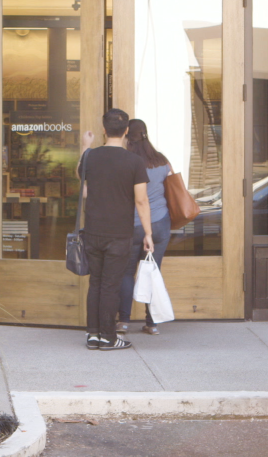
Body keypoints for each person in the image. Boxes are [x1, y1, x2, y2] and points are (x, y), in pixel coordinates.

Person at [79, 109, 153, 352]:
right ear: (126, 132)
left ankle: (93, 335)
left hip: (93, 231)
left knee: (96, 283)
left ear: (103, 130)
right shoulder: (134, 161)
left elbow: (83, 186)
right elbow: (141, 201)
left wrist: (85, 146)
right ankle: (109, 338)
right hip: (119, 233)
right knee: (110, 285)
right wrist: (148, 234)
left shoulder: (90, 156)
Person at [117, 119, 173, 336]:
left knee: (126, 273)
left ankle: (123, 321)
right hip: (160, 223)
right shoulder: (162, 161)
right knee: (152, 271)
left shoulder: (127, 162)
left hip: (134, 224)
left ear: (126, 136)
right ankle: (152, 323)